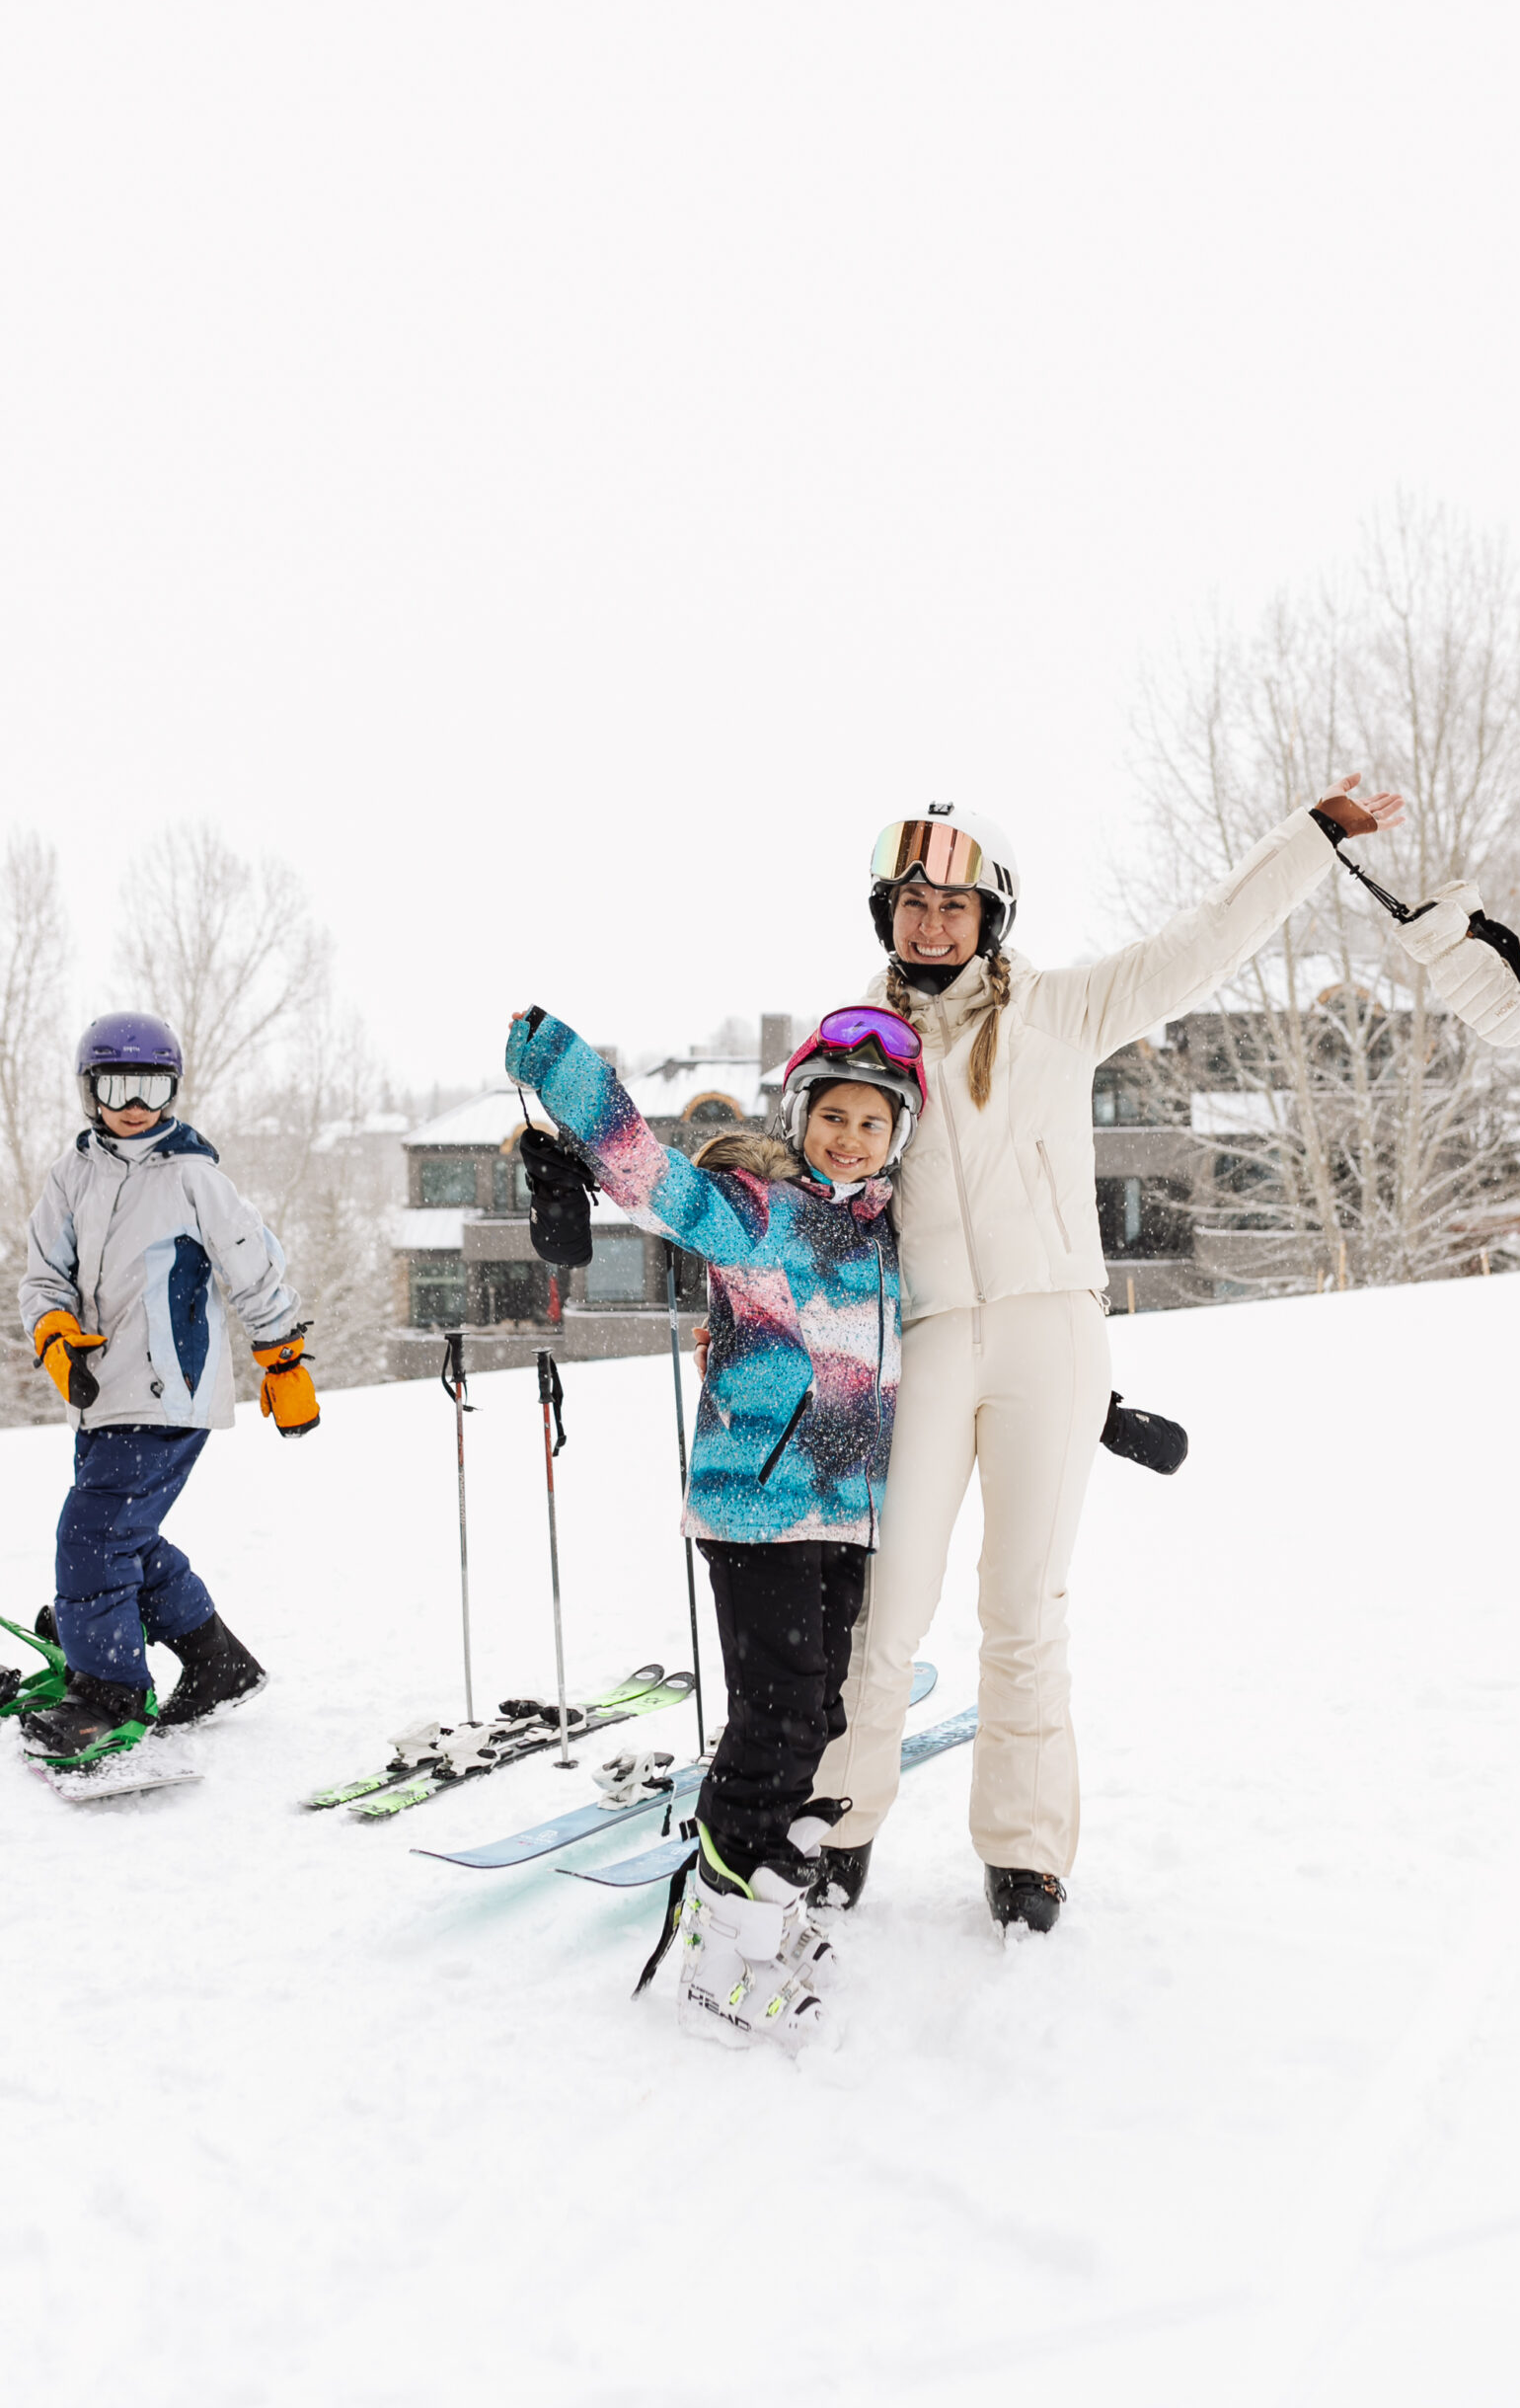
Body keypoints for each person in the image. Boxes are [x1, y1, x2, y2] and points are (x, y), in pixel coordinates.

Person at [812, 778, 1406, 1931]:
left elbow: (1205, 943)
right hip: (928, 1341)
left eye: (957, 903)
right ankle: (836, 1823)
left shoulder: (1062, 1013)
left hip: (1051, 1330)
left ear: (995, 916)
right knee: (891, 1602)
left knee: (1024, 1602)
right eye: (913, 902)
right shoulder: (862, 1045)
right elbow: (799, 1184)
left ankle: (1025, 1850)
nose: (934, 923)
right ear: (884, 913)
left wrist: (1313, 837)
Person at [504, 1000, 925, 2051]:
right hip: (757, 1509)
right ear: (803, 1116)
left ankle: (761, 1905)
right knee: (773, 1727)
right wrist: (565, 1071)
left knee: (819, 1719)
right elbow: (650, 1174)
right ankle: (720, 1950)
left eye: (873, 1124)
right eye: (833, 1114)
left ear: (896, 1141)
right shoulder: (759, 1214)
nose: (850, 1137)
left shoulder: (887, 1247)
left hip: (843, 1518)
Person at [17, 1012, 320, 1763]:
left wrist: (282, 1360)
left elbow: (255, 1267)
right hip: (100, 1395)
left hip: (171, 1390)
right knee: (124, 1535)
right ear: (90, 1089)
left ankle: (109, 1692)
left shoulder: (193, 1175)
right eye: (117, 1084)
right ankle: (216, 1660)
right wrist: (53, 1334)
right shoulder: (72, 1174)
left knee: (90, 1537)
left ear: (172, 1088)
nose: (134, 1102)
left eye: (151, 1085)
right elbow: (41, 1276)